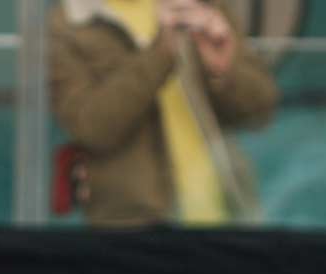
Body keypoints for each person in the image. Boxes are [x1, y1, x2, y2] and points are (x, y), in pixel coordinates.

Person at [48, 0, 278, 227]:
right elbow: (90, 127)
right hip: (133, 227)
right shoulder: (68, 22)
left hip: (225, 214)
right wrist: (160, 54)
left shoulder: (201, 5)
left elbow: (261, 110)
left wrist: (223, 72)